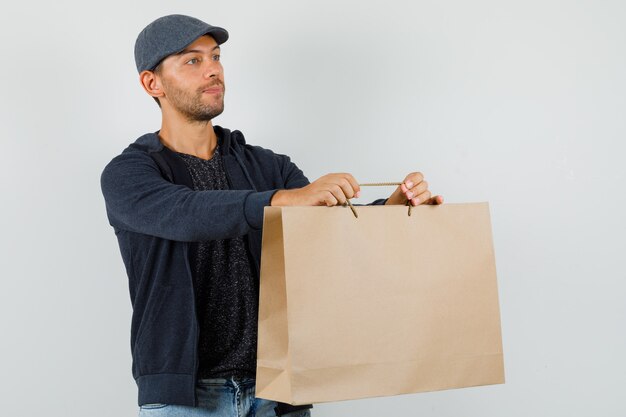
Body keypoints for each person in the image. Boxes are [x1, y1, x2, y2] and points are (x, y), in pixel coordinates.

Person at [100, 14, 443, 417]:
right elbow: (185, 214)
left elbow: (326, 236)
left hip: (279, 389)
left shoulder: (270, 166)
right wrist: (282, 200)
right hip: (185, 399)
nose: (212, 69)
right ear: (151, 83)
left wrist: (391, 209)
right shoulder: (129, 174)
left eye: (216, 56)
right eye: (192, 61)